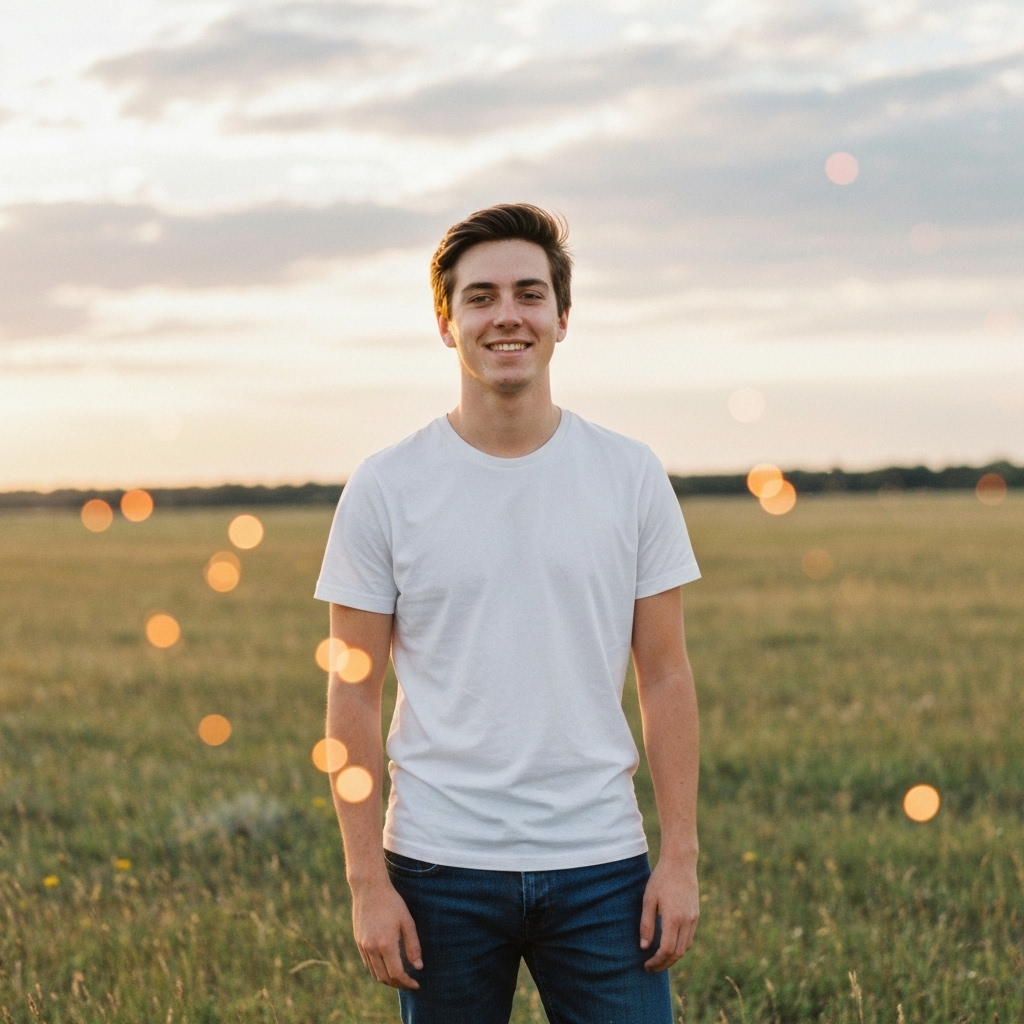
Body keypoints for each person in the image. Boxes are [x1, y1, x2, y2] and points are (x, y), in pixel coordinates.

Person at [314, 204, 701, 1024]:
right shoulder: (385, 487)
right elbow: (352, 693)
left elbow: (664, 674)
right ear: (447, 322)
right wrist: (365, 883)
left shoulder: (630, 475)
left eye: (529, 293)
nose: (507, 315)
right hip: (436, 867)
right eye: (481, 296)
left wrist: (680, 858)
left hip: (603, 867)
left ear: (563, 316)